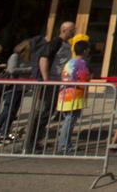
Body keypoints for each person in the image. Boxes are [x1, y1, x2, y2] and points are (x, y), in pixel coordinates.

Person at [25, 20, 75, 151]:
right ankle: (31, 142)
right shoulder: (55, 42)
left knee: (48, 112)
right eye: (72, 30)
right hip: (51, 82)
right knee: (43, 112)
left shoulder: (66, 45)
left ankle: (37, 140)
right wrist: (46, 78)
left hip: (58, 82)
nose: (74, 32)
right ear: (64, 30)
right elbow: (44, 58)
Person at [0, 38, 34, 145]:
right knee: (7, 110)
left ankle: (4, 133)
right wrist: (29, 70)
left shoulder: (28, 58)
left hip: (21, 87)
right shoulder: (15, 56)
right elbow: (11, 69)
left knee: (13, 111)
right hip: (12, 87)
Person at [56, 39, 91, 153]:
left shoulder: (70, 61)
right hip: (74, 95)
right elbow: (84, 77)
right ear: (85, 51)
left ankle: (66, 143)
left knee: (68, 120)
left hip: (65, 94)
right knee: (70, 120)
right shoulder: (81, 63)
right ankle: (63, 145)